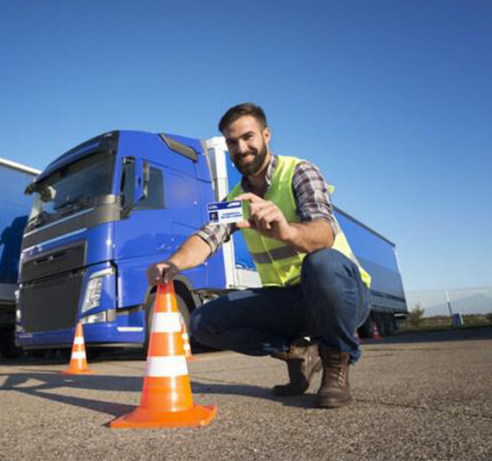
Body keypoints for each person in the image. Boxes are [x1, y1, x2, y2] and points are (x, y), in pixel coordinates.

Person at [146, 103, 373, 408]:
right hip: (289, 301)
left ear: (266, 135)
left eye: (248, 137)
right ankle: (298, 351)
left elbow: (324, 232)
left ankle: (335, 364)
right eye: (231, 142)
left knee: (321, 262)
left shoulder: (300, 172)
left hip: (340, 295)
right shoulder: (235, 201)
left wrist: (287, 231)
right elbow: (206, 238)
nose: (241, 148)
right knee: (203, 322)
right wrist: (173, 263)